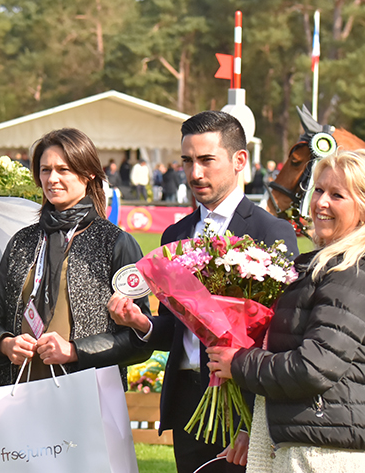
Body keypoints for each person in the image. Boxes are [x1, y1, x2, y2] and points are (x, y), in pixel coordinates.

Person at [108, 110, 298, 473]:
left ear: (240, 160)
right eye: (187, 161)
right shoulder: (174, 236)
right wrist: (140, 323)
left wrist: (251, 423)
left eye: (207, 160)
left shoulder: (271, 232)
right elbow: (173, 330)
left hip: (245, 400)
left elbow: (278, 338)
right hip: (186, 404)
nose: (194, 173)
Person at [207, 148, 365, 472]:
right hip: (310, 437)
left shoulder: (353, 275)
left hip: (324, 451)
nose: (320, 203)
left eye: (337, 195)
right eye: (318, 190)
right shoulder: (329, 268)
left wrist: (240, 364)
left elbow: (313, 367)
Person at [0, 128, 152, 385]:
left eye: (64, 169)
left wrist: (74, 351)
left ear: (88, 172)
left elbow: (140, 340)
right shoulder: (22, 242)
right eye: (45, 170)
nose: (52, 179)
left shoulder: (116, 243)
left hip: (88, 395)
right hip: (20, 394)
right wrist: (5, 344)